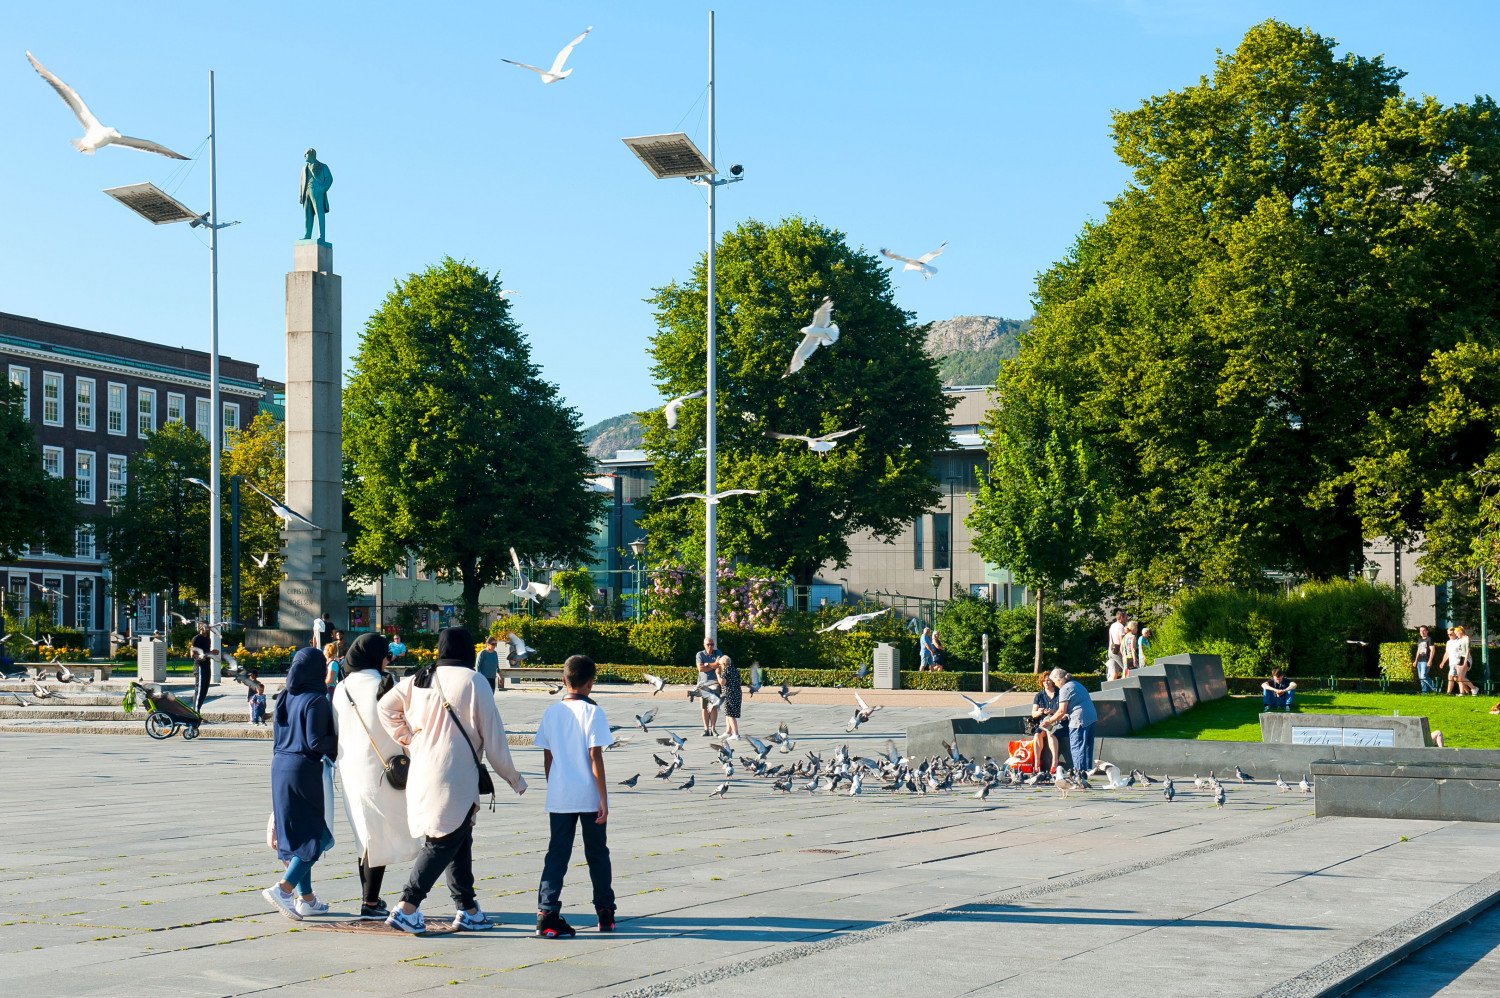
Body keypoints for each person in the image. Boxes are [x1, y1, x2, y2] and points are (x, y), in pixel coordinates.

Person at [379, 627, 527, 934]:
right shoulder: (474, 682)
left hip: (422, 769)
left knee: (459, 838)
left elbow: (385, 707)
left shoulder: (420, 678)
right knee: (442, 841)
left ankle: (468, 909)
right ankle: (407, 906)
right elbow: (495, 738)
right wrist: (514, 778)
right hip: (455, 775)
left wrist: (409, 738)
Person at [333, 633, 420, 921]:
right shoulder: (385, 685)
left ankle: (370, 898)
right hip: (384, 767)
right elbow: (402, 724)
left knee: (364, 832)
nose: (388, 659)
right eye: (385, 654)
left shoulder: (341, 688)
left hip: (350, 769)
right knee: (381, 833)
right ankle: (370, 902)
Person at [534, 654, 617, 938]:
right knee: (597, 854)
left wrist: (553, 784)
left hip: (560, 795)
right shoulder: (594, 713)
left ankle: (546, 911)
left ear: (563, 681)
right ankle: (605, 912)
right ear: (590, 683)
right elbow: (595, 756)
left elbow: (548, 755)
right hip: (589, 795)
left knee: (557, 853)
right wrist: (603, 798)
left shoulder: (551, 712)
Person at [264, 647, 338, 921]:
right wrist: (342, 741)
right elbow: (316, 742)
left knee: (297, 832)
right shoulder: (316, 700)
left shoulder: (284, 696)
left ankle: (307, 899)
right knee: (316, 836)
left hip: (279, 765)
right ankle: (284, 888)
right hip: (303, 769)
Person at [1041, 668, 1097, 774]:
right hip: (1091, 718)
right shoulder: (1076, 684)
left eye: (1054, 681)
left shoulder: (1065, 689)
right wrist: (1065, 715)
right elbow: (1075, 704)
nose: (1055, 684)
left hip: (1079, 720)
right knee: (1086, 747)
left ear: (1059, 679)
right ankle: (1085, 772)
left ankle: (1079, 774)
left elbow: (1061, 711)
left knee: (1077, 747)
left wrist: (1049, 721)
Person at [1029, 674, 1068, 775]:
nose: (1046, 682)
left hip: (1057, 721)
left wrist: (1052, 711)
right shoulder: (1039, 695)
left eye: (1048, 680)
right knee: (1037, 735)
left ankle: (1054, 762)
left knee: (1051, 733)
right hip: (1043, 722)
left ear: (1052, 682)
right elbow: (1033, 714)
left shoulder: (1060, 693)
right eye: (1044, 681)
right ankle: (1037, 763)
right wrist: (1040, 711)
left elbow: (1063, 711)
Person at [300, 148, 333, 244]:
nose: (304, 156)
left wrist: (322, 189)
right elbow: (301, 183)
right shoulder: (303, 168)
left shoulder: (323, 166)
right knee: (308, 214)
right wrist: (301, 195)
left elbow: (329, 179)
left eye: (306, 154)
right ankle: (307, 234)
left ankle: (321, 236)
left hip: (317, 191)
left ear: (311, 154)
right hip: (306, 192)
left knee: (319, 213)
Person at [694, 637, 720, 736]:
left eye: (712, 644)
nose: (711, 646)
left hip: (715, 684)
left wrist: (707, 664)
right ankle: (706, 729)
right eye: (708, 644)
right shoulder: (700, 654)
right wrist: (713, 665)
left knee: (713, 707)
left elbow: (720, 665)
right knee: (704, 707)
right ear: (704, 645)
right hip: (703, 684)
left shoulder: (718, 653)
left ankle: (713, 729)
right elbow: (700, 669)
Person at [189, 622, 216, 714]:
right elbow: (192, 654)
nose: (208, 628)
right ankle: (195, 713)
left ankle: (197, 710)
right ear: (200, 627)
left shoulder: (208, 639)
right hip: (199, 666)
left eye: (208, 626)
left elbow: (206, 653)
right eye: (205, 626)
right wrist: (201, 657)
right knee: (199, 689)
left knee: (204, 689)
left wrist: (211, 652)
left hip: (207, 665)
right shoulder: (196, 638)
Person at [717, 654, 743, 741]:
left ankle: (735, 733)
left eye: (720, 665)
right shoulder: (735, 670)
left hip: (729, 694)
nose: (720, 666)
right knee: (728, 713)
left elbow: (722, 682)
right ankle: (728, 732)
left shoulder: (726, 671)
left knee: (730, 714)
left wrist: (717, 674)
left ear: (724, 664)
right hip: (737, 693)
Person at [1449, 626, 1477, 695]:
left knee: (1461, 677)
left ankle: (1473, 688)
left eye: (1456, 633)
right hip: (1460, 659)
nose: (1456, 634)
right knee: (1459, 678)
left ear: (1460, 632)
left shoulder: (1466, 638)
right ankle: (1467, 690)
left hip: (1466, 658)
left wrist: (1465, 662)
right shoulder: (1459, 640)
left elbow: (1467, 650)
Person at [1413, 625, 1436, 694]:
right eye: (1420, 631)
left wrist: (1430, 660)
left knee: (1423, 676)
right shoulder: (1419, 640)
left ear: (1427, 631)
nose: (1422, 632)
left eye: (1423, 630)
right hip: (1419, 661)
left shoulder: (1429, 639)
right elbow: (1418, 651)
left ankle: (1436, 688)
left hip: (1425, 661)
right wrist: (1415, 661)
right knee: (1421, 678)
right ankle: (1424, 692)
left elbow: (1432, 650)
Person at [1106, 610, 1128, 681]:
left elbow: (1110, 639)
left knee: (1114, 673)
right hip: (1118, 652)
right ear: (1121, 617)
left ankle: (1108, 689)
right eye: (1126, 617)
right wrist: (1124, 653)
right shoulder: (1121, 626)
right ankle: (1125, 685)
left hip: (1111, 651)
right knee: (1126, 669)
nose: (1126, 619)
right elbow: (1122, 641)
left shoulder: (1112, 625)